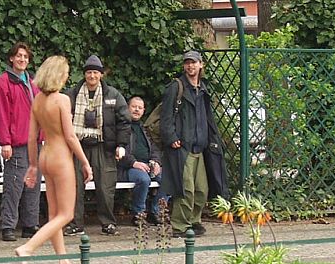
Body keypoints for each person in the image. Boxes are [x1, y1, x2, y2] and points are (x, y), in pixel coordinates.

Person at [15, 55, 93, 264]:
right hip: (60, 158)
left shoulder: (37, 100)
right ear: (58, 76)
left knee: (54, 214)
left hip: (45, 157)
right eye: (66, 73)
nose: (67, 77)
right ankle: (28, 248)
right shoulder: (62, 100)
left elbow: (31, 138)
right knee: (66, 214)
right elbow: (70, 136)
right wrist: (85, 162)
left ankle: (63, 263)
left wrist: (32, 165)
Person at [160, 50, 229, 238]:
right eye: (187, 63)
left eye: (194, 62)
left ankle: (193, 221)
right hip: (182, 148)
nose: (190, 66)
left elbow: (207, 118)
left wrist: (213, 140)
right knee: (186, 190)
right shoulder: (176, 87)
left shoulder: (203, 89)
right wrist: (171, 137)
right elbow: (166, 118)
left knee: (201, 190)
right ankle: (180, 226)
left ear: (201, 64)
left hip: (201, 148)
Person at [63, 54, 130, 236]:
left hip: (103, 146)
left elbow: (124, 121)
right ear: (84, 74)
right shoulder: (72, 94)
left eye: (95, 72)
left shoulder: (113, 95)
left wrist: (121, 144)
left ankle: (108, 223)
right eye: (89, 72)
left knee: (105, 186)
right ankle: (75, 224)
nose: (92, 76)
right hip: (78, 145)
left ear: (101, 75)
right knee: (74, 186)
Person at [0, 42, 42, 242]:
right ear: (11, 58)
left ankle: (30, 225)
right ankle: (8, 226)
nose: (22, 59)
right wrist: (5, 142)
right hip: (17, 143)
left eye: (25, 57)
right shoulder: (3, 82)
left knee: (33, 186)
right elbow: (1, 114)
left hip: (35, 143)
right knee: (13, 186)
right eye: (19, 56)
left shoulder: (33, 82)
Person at [118, 96, 168, 226]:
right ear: (127, 108)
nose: (137, 110)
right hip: (127, 167)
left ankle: (155, 212)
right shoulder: (121, 127)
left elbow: (155, 148)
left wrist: (156, 162)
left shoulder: (145, 129)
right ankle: (138, 214)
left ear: (143, 111)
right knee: (144, 179)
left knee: (170, 179)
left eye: (140, 108)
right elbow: (118, 150)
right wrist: (134, 163)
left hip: (147, 166)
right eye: (134, 107)